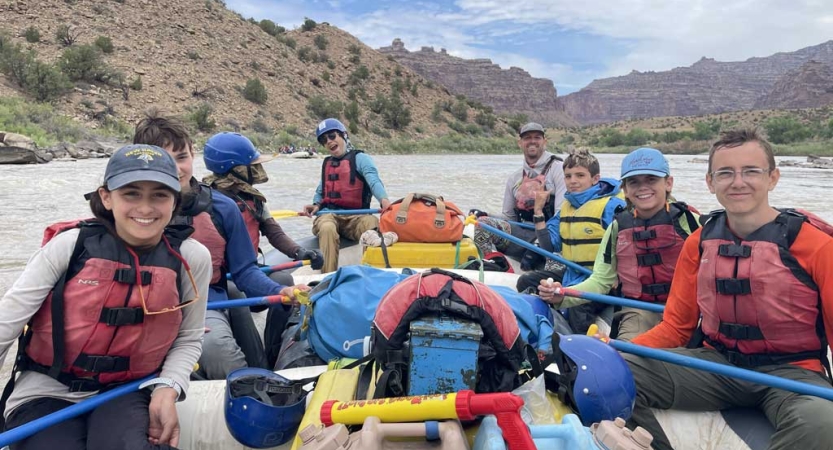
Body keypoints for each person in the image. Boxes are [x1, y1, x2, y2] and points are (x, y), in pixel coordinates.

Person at [623, 129, 833, 450]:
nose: (738, 182)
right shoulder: (699, 242)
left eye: (751, 171)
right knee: (610, 374)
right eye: (725, 173)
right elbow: (676, 328)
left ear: (772, 178)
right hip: (715, 365)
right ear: (710, 182)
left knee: (823, 422)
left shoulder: (815, 244)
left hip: (794, 374)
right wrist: (620, 352)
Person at [0, 144, 211, 449]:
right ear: (106, 197)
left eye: (159, 195)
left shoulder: (192, 258)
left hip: (128, 389)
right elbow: (5, 325)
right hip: (46, 390)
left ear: (175, 202)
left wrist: (168, 386)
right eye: (131, 193)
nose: (145, 207)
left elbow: (189, 337)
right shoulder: (69, 246)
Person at [133, 111, 309, 380]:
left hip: (205, 303)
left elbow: (245, 272)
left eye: (182, 157)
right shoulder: (130, 211)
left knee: (218, 350)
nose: (177, 168)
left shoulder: (223, 208)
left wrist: (282, 289)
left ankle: (253, 388)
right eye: (165, 160)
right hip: (147, 308)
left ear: (193, 154)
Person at [538, 147, 700, 341]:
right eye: (634, 182)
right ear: (625, 189)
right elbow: (600, 280)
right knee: (628, 359)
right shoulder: (617, 228)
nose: (642, 187)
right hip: (640, 310)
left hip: (690, 310)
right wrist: (563, 296)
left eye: (651, 179)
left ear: (668, 183)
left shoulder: (691, 222)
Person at [202, 131, 324, 368]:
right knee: (238, 290)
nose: (257, 170)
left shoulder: (253, 199)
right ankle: (257, 362)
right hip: (223, 281)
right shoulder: (205, 201)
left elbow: (273, 232)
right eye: (251, 165)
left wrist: (300, 252)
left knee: (282, 277)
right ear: (235, 168)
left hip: (248, 272)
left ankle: (273, 350)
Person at [520, 148, 625, 333]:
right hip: (572, 274)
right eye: (568, 176)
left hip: (601, 280)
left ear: (595, 178)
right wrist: (538, 212)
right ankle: (542, 329)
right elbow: (549, 246)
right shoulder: (567, 206)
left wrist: (619, 274)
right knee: (526, 282)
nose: (573, 181)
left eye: (580, 175)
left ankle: (575, 351)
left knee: (578, 307)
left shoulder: (612, 206)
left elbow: (626, 244)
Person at [473, 122, 567, 272]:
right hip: (524, 234)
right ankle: (494, 266)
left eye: (537, 137)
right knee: (483, 224)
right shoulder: (514, 178)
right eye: (527, 138)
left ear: (544, 141)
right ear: (520, 143)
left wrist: (538, 245)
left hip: (550, 238)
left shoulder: (559, 170)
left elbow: (562, 215)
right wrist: (486, 214)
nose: (532, 141)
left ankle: (544, 272)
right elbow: (509, 218)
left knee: (554, 263)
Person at [301, 118, 391, 273]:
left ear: (343, 135)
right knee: (327, 227)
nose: (329, 141)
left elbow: (373, 180)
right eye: (324, 140)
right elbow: (321, 190)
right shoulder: (327, 163)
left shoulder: (361, 159)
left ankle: (372, 274)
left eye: (332, 136)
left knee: (372, 223)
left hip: (356, 217)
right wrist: (315, 205)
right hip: (329, 215)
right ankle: (327, 279)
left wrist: (384, 200)